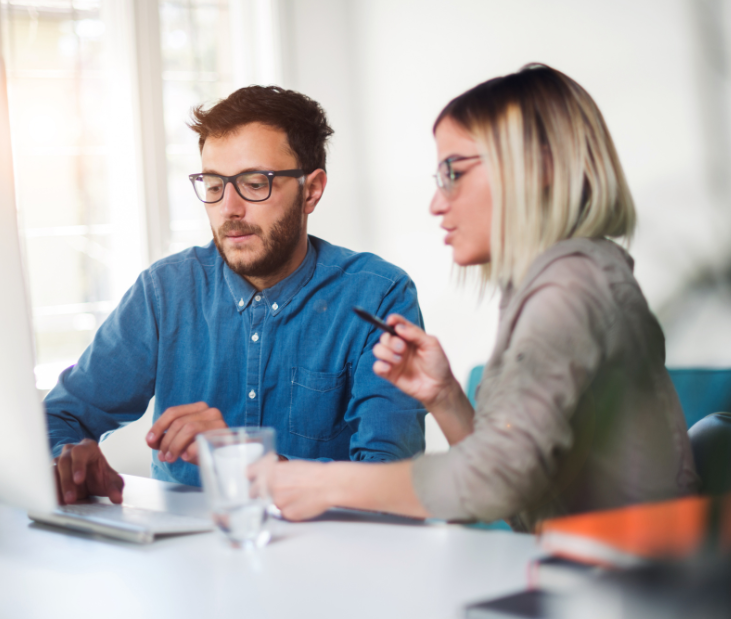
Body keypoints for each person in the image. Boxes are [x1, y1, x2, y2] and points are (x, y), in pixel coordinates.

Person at [268, 64, 700, 530]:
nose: (437, 203)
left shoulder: (569, 289)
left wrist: (324, 484)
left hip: (628, 586)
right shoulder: (559, 280)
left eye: (454, 172)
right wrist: (446, 396)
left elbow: (496, 481)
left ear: (541, 166)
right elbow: (521, 488)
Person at [46, 86, 426, 505]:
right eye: (213, 184)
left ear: (312, 191)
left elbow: (395, 485)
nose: (229, 208)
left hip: (324, 560)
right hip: (184, 559)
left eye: (254, 183)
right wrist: (69, 460)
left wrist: (246, 459)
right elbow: (60, 416)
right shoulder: (165, 292)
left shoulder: (378, 296)